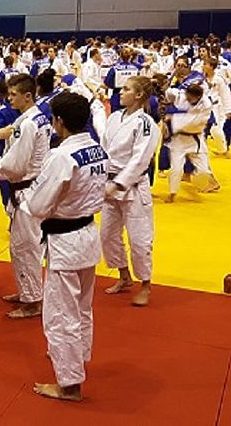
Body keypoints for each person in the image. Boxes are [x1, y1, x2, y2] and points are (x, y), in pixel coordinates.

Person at [20, 92, 107, 402]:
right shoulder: (97, 149)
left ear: (58, 121)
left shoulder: (62, 156)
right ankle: (77, 357)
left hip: (66, 242)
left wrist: (26, 198)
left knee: (60, 314)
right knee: (81, 307)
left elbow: (39, 205)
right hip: (88, 234)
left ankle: (69, 384)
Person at [0, 73, 51, 318]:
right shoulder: (37, 118)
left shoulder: (28, 124)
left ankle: (33, 301)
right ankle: (27, 291)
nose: (9, 98)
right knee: (21, 246)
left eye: (14, 94)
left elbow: (15, 166)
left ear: (28, 96)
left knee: (26, 247)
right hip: (32, 189)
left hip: (27, 191)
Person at [101, 76, 160, 306]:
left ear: (138, 95)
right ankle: (124, 275)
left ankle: (145, 284)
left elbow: (140, 160)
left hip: (133, 186)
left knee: (139, 239)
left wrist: (120, 183)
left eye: (126, 89)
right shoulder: (115, 117)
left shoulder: (146, 124)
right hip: (109, 182)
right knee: (107, 235)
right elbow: (104, 148)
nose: (120, 92)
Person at [164, 83, 219, 202]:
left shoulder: (206, 105)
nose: (188, 99)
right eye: (187, 96)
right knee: (176, 169)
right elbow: (168, 92)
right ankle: (173, 193)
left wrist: (172, 117)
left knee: (203, 170)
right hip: (178, 140)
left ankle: (203, 184)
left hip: (195, 138)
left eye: (191, 98)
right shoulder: (181, 95)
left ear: (198, 97)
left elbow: (193, 123)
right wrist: (165, 94)